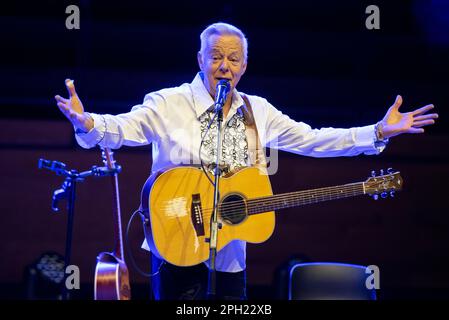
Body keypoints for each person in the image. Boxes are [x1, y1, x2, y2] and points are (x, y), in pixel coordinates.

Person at [54, 22, 438, 300]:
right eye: (217, 56)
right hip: (177, 242)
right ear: (200, 58)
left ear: (244, 67)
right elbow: (124, 128)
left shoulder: (259, 111)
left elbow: (313, 139)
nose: (225, 65)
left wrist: (377, 132)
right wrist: (87, 122)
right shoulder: (169, 102)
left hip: (231, 258)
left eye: (234, 59)